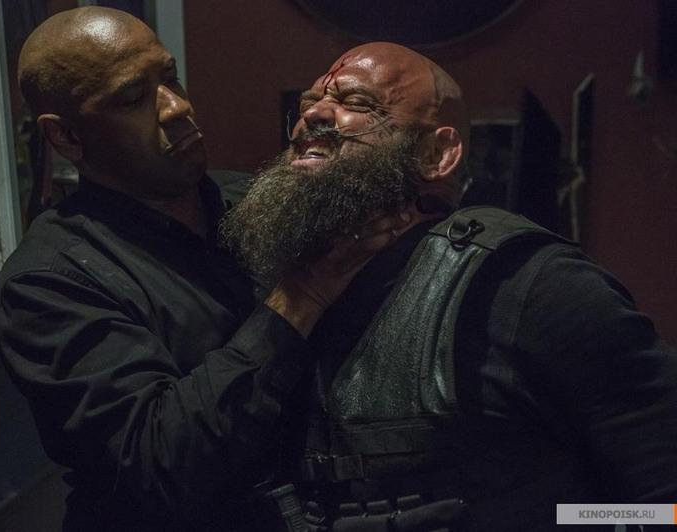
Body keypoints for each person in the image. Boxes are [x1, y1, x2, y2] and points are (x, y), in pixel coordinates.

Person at [222, 42, 677, 531]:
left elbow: (662, 507)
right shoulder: (286, 295)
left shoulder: (527, 284)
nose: (313, 115)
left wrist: (546, 521)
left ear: (436, 154)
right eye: (309, 103)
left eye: (356, 103)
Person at [0, 8, 413, 532]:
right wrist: (301, 295)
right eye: (133, 98)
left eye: (170, 78)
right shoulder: (48, 281)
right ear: (66, 137)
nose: (177, 107)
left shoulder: (251, 201)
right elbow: (162, 462)